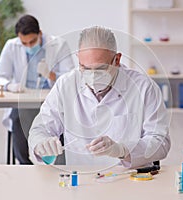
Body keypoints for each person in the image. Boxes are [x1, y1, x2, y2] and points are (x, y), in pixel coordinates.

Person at [28, 26, 171, 168]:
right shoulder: (65, 84)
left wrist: (123, 150)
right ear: (78, 59)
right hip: (82, 179)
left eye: (101, 68)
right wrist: (42, 143)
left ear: (117, 60)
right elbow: (39, 129)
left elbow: (161, 142)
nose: (93, 75)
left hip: (128, 178)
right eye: (85, 67)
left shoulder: (144, 87)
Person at [0, 15, 74, 164]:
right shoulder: (12, 46)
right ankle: (25, 164)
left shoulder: (58, 45)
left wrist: (50, 74)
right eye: (24, 43)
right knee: (17, 119)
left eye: (32, 41)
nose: (29, 46)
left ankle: (60, 167)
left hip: (50, 99)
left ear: (40, 34)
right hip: (24, 99)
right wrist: (10, 85)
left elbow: (70, 79)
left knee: (61, 123)